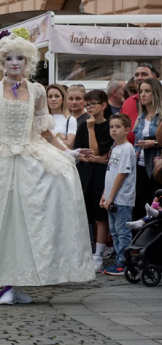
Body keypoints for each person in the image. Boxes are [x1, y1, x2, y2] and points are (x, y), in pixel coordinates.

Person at [0, 28, 94, 305]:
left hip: (29, 155)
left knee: (28, 220)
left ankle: (20, 281)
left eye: (19, 58)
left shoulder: (36, 90)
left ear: (28, 62)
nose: (14, 63)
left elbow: (45, 131)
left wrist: (67, 152)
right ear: (1, 61)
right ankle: (4, 283)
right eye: (9, 58)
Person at [74, 90, 114, 271]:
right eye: (87, 104)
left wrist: (91, 130)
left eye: (93, 104)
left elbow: (96, 151)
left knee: (100, 218)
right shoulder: (82, 125)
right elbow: (84, 153)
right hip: (85, 174)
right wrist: (95, 157)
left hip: (100, 176)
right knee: (85, 216)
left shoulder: (108, 126)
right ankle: (84, 252)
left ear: (103, 105)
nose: (89, 107)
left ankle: (98, 254)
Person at [99, 113, 137, 277]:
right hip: (112, 198)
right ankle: (118, 261)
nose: (113, 130)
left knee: (122, 231)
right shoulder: (115, 148)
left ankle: (124, 263)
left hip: (121, 199)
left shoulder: (127, 149)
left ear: (127, 129)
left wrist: (111, 197)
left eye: (118, 127)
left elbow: (121, 175)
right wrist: (104, 195)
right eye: (111, 127)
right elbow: (110, 174)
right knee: (114, 231)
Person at [130, 78, 162, 220]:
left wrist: (153, 144)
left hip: (157, 166)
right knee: (141, 205)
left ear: (155, 93)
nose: (143, 95)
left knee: (156, 203)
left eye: (147, 91)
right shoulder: (141, 117)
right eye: (141, 91)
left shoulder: (160, 116)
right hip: (140, 165)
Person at [122, 63, 159, 144]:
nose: (139, 78)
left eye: (144, 74)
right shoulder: (128, 102)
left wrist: (155, 143)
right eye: (136, 75)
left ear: (154, 78)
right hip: (133, 154)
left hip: (156, 155)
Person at [47, 84, 77, 148]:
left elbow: (69, 143)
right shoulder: (41, 118)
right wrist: (59, 136)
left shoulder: (70, 119)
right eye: (50, 96)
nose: (53, 99)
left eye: (57, 96)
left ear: (63, 99)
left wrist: (47, 141)